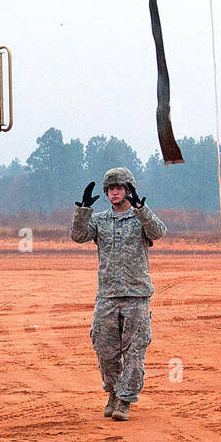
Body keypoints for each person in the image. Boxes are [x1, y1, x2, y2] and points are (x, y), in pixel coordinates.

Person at [70, 167, 167, 420]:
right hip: (107, 296)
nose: (115, 192)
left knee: (135, 351)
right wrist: (83, 211)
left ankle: (125, 401)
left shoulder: (140, 218)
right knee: (104, 349)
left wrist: (140, 209)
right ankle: (112, 392)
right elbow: (78, 236)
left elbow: (158, 231)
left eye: (120, 188)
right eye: (111, 189)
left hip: (136, 296)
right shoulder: (101, 220)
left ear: (129, 190)